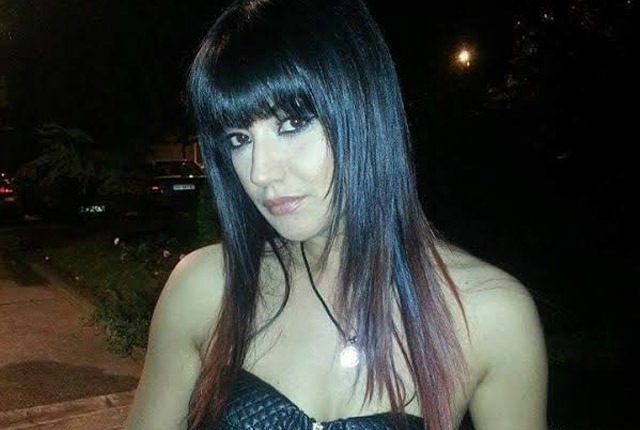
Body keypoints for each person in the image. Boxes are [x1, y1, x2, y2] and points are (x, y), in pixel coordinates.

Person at [125, 0, 548, 429]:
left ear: (364, 111)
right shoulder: (206, 289)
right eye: (239, 138)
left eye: (293, 124)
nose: (260, 173)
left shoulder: (490, 315)